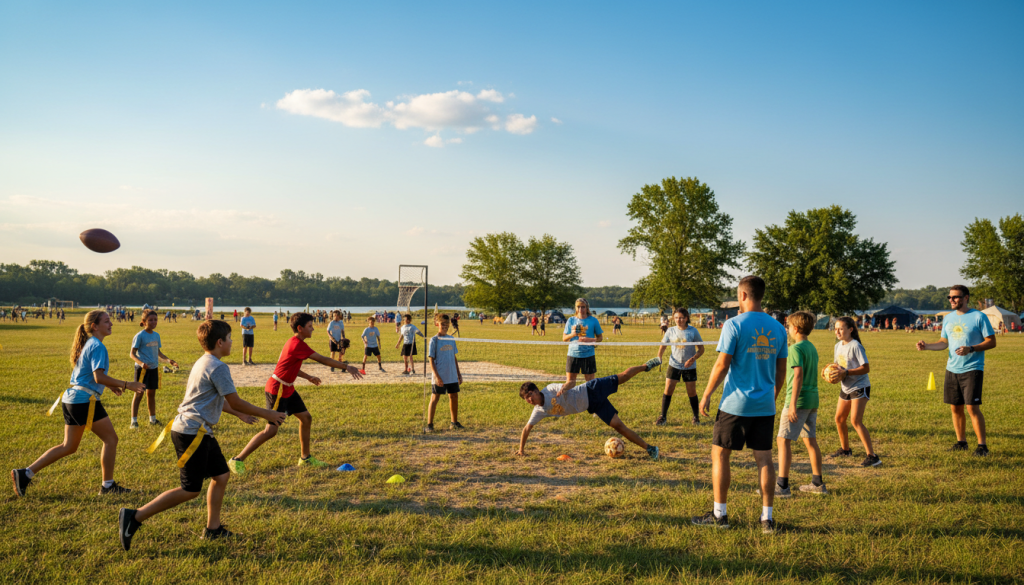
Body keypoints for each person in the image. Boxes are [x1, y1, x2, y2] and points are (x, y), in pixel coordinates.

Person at [117, 320, 287, 550]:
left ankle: (213, 529)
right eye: (229, 338)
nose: (232, 342)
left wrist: (238, 415)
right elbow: (234, 400)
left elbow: (213, 400)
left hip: (199, 430)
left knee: (221, 475)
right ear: (220, 342)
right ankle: (134, 516)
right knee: (190, 489)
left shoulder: (204, 361)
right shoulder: (218, 367)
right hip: (191, 432)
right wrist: (269, 412)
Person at [12, 310, 146, 497]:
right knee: (111, 439)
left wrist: (110, 386)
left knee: (69, 446)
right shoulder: (97, 346)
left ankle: (24, 473)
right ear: (95, 326)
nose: (111, 324)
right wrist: (127, 384)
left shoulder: (89, 343)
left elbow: (90, 376)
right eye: (107, 321)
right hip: (83, 401)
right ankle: (108, 486)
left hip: (73, 398)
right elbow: (98, 376)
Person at [693, 276, 787, 533]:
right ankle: (767, 520)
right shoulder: (778, 328)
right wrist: (773, 396)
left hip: (735, 404)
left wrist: (707, 393)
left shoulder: (733, 325)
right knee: (765, 459)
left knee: (721, 455)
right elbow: (781, 372)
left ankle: (719, 515)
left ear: (744, 296)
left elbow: (722, 364)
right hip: (765, 405)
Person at [227, 313, 363, 474]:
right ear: (300, 328)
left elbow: (291, 366)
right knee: (271, 431)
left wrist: (308, 377)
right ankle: (237, 460)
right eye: (310, 326)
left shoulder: (295, 343)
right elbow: (322, 359)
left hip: (288, 388)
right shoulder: (297, 344)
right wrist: (346, 366)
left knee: (306, 418)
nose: (313, 328)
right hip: (277, 390)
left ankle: (305, 458)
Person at [518, 357, 663, 459]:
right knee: (618, 426)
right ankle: (650, 448)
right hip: (593, 405)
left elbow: (570, 383)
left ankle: (646, 366)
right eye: (526, 398)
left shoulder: (549, 390)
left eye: (530, 395)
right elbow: (526, 429)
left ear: (537, 391)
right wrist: (521, 450)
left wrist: (564, 387)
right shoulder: (539, 411)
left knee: (624, 377)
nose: (529, 399)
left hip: (592, 389)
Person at [916, 285, 996, 456]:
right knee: (955, 408)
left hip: (972, 368)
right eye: (949, 297)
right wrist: (927, 346)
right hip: (952, 369)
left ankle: (982, 446)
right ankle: (962, 442)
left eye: (955, 297)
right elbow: (944, 342)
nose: (951, 300)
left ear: (966, 298)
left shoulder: (978, 317)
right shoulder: (948, 318)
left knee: (972, 408)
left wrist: (972, 349)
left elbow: (991, 341)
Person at [771, 311, 826, 496]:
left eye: (787, 326)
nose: (786, 329)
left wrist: (792, 404)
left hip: (799, 400)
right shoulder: (811, 347)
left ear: (794, 328)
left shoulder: (795, 349)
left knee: (782, 440)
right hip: (812, 400)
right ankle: (818, 484)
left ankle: (782, 486)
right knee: (810, 441)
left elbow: (798, 375)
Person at [827, 316, 880, 466]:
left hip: (859, 386)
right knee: (839, 419)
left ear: (850, 330)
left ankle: (872, 456)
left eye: (841, 328)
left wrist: (847, 373)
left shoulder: (855, 345)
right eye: (836, 328)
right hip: (846, 386)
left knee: (855, 421)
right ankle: (845, 450)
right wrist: (831, 373)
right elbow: (838, 366)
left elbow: (866, 368)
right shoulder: (838, 346)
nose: (837, 331)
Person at [655, 308, 705, 426]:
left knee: (691, 392)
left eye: (681, 317)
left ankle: (696, 417)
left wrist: (693, 359)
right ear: (673, 318)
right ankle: (663, 417)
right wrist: (659, 357)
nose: (679, 320)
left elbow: (701, 349)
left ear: (686, 318)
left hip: (689, 366)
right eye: (676, 317)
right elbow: (663, 346)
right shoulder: (670, 331)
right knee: (668, 389)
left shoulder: (693, 331)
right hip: (674, 364)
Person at [129, 309, 178, 429]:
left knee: (151, 394)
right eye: (150, 320)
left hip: (154, 369)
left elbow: (158, 352)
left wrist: (168, 360)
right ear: (144, 322)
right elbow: (132, 354)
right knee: (139, 394)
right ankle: (134, 421)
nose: (153, 322)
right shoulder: (140, 336)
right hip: (142, 370)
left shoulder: (156, 335)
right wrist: (141, 364)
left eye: (155, 319)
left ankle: (153, 419)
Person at [425, 314, 463, 432]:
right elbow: (431, 359)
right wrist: (437, 376)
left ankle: (454, 422)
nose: (445, 326)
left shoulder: (451, 339)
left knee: (454, 396)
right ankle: (429, 425)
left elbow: (454, 357)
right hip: (440, 376)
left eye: (447, 324)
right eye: (442, 324)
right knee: (435, 398)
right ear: (437, 324)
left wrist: (458, 373)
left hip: (451, 375)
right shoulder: (434, 340)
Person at [562, 299, 603, 389]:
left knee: (590, 383)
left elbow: (600, 338)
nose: (581, 309)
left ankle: (591, 402)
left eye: (583, 307)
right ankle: (569, 401)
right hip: (573, 354)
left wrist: (591, 340)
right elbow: (564, 338)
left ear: (587, 308)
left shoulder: (593, 321)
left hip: (588, 354)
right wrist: (573, 334)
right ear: (576, 308)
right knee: (570, 382)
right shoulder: (571, 320)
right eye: (578, 307)